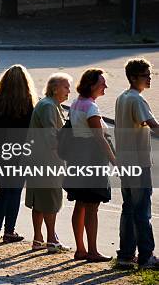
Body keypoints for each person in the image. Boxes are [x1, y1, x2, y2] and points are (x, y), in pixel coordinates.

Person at [65, 69, 115, 262]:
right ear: (92, 85)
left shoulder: (77, 104)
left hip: (77, 158)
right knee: (92, 207)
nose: (105, 87)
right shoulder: (92, 108)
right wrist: (115, 161)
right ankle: (92, 251)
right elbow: (100, 139)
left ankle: (80, 249)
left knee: (80, 204)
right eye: (102, 83)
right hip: (92, 160)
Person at [115, 58, 159, 269]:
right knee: (143, 210)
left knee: (129, 208)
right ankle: (146, 256)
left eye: (150, 75)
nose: (149, 79)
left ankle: (125, 254)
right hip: (139, 162)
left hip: (124, 160)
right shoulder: (137, 100)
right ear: (133, 77)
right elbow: (153, 126)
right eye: (145, 75)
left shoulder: (122, 98)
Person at [0, 65, 37, 242]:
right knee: (14, 191)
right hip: (19, 151)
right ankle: (9, 230)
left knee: (2, 190)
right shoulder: (28, 102)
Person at [25, 73, 73, 253]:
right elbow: (52, 135)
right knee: (50, 201)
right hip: (47, 161)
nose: (69, 90)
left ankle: (39, 238)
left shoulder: (51, 105)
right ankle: (52, 239)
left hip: (38, 160)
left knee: (39, 201)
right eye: (66, 87)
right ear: (54, 88)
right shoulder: (49, 107)